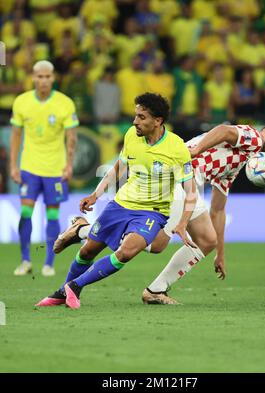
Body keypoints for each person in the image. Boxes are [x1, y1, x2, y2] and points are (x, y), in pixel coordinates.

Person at [53, 121, 265, 305]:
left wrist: (220, 253)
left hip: (193, 187)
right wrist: (197, 148)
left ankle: (156, 290)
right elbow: (224, 129)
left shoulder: (238, 162)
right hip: (179, 178)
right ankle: (84, 230)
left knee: (207, 240)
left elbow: (218, 210)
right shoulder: (252, 137)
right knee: (156, 244)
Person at [36, 93, 197, 308]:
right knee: (87, 251)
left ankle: (73, 286)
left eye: (141, 117)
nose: (135, 121)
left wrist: (183, 221)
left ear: (157, 121)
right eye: (135, 116)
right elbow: (119, 167)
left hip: (152, 212)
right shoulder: (132, 135)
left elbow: (191, 190)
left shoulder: (177, 148)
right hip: (121, 205)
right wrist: (96, 194)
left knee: (127, 252)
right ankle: (63, 292)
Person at [10, 60, 78, 277]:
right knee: (26, 212)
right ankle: (25, 260)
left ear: (53, 78)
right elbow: (16, 136)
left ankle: (49, 262)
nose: (43, 80)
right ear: (33, 77)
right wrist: (13, 165)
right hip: (29, 166)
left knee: (52, 216)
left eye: (47, 76)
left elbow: (71, 137)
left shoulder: (64, 103)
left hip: (55, 169)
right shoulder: (21, 102)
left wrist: (68, 165)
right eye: (39, 76)